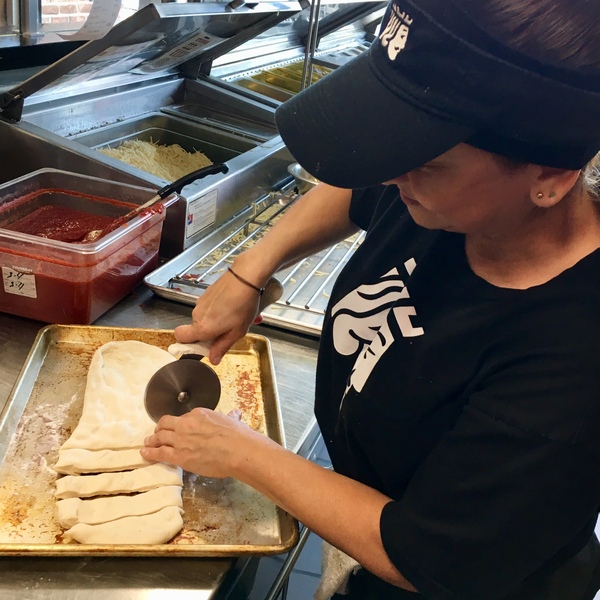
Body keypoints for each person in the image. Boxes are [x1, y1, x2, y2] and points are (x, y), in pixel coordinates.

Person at [141, 0, 600, 597]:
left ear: (551, 178)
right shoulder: (448, 195)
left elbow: (423, 555)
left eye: (424, 163)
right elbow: (358, 189)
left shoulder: (570, 366)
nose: (389, 174)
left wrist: (243, 453)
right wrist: (253, 269)